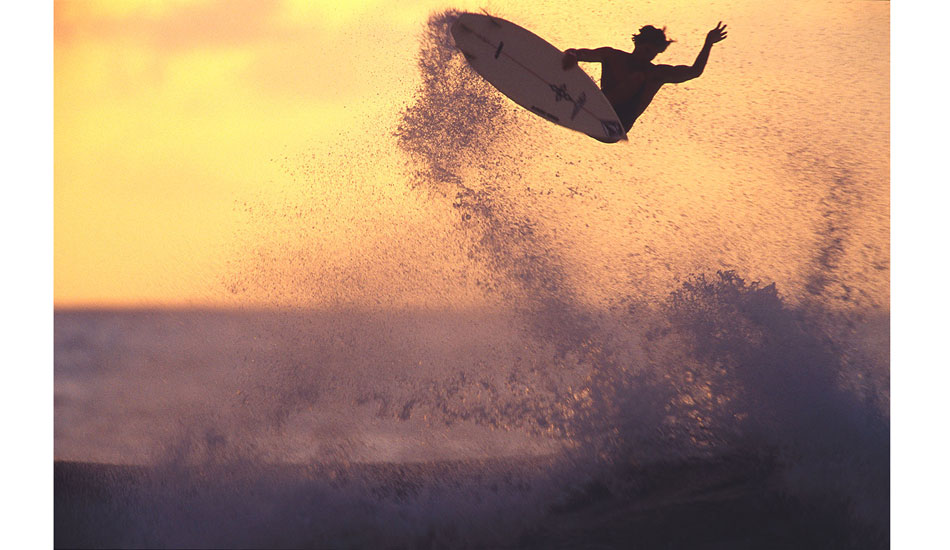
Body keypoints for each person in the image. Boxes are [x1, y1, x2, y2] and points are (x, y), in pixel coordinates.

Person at [562, 22, 728, 133]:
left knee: (639, 77)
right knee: (578, 72)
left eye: (654, 53)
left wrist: (708, 44)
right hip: (596, 107)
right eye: (647, 50)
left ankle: (587, 104)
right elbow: (580, 53)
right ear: (637, 44)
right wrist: (572, 55)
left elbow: (694, 72)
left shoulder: (656, 74)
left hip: (617, 124)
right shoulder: (612, 55)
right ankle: (568, 96)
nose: (649, 56)